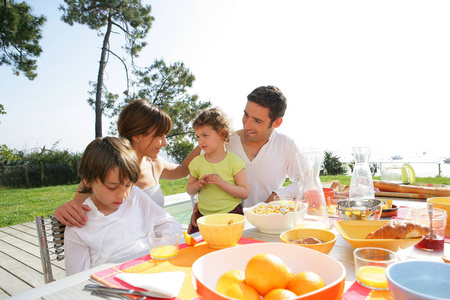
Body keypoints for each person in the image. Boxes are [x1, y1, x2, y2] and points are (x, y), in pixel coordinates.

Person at [55, 100, 200, 227]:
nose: (165, 143)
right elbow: (74, 211)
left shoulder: (154, 163)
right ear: (137, 135)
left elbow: (184, 169)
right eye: (159, 135)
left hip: (156, 247)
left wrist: (204, 143)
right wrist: (63, 211)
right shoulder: (107, 168)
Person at [64, 137, 181, 275]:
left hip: (150, 273)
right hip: (111, 288)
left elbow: (170, 223)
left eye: (128, 185)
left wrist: (152, 245)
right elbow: (76, 278)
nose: (122, 195)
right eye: (112, 187)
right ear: (88, 182)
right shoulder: (80, 222)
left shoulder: (135, 196)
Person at [226, 85, 300, 208]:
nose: (247, 125)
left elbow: (306, 180)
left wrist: (278, 195)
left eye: (257, 121)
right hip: (226, 223)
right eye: (246, 115)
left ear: (277, 122)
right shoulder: (225, 142)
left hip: (268, 221)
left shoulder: (285, 144)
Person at [186, 108, 249, 233]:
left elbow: (244, 192)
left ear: (222, 134)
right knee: (195, 247)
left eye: (205, 135)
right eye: (198, 136)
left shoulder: (234, 162)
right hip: (204, 216)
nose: (200, 141)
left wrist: (224, 184)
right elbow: (189, 189)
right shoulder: (196, 163)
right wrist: (197, 185)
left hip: (231, 214)